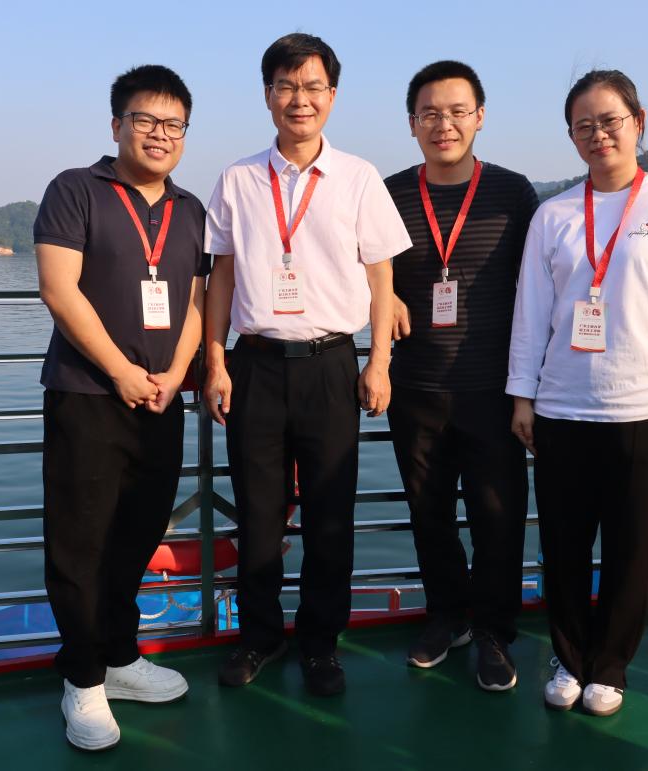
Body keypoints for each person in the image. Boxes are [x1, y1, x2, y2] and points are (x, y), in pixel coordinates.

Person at [507, 70, 648, 716]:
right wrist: (523, 397)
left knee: (632, 550)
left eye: (610, 121)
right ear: (571, 136)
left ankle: (610, 666)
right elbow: (531, 313)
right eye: (584, 125)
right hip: (562, 408)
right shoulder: (553, 215)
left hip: (646, 407)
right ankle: (569, 657)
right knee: (564, 546)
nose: (598, 134)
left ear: (639, 121)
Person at [203, 32, 411, 697]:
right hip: (256, 365)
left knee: (330, 515)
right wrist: (215, 361)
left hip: (330, 365)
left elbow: (381, 277)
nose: (301, 99)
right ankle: (260, 635)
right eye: (287, 86)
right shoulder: (237, 179)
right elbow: (221, 278)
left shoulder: (358, 177)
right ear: (268, 95)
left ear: (333, 96)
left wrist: (379, 362)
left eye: (313, 86)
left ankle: (321, 643)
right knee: (258, 514)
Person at [34, 65, 207, 750]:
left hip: (161, 399)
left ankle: (119, 655)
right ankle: (81, 678)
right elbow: (58, 288)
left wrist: (174, 374)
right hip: (88, 395)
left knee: (137, 533)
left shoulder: (190, 209)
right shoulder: (75, 189)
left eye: (174, 124)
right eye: (145, 120)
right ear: (117, 125)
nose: (159, 134)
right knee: (80, 541)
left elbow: (196, 300)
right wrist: (122, 372)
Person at [383, 60, 537, 691]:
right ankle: (447, 617)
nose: (442, 124)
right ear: (412, 122)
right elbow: (358, 268)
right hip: (415, 386)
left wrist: (529, 388)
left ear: (479, 117)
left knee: (498, 516)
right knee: (430, 516)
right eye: (429, 113)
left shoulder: (513, 193)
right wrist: (383, 298)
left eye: (456, 112)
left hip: (493, 389)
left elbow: (539, 286)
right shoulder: (388, 194)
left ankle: (495, 631)